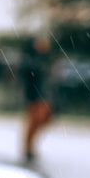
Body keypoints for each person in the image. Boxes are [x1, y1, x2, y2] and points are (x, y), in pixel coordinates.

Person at [20, 35, 53, 163]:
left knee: (42, 119)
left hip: (43, 95)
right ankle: (28, 148)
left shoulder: (43, 59)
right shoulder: (31, 60)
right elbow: (30, 76)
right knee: (34, 122)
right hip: (35, 96)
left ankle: (30, 147)